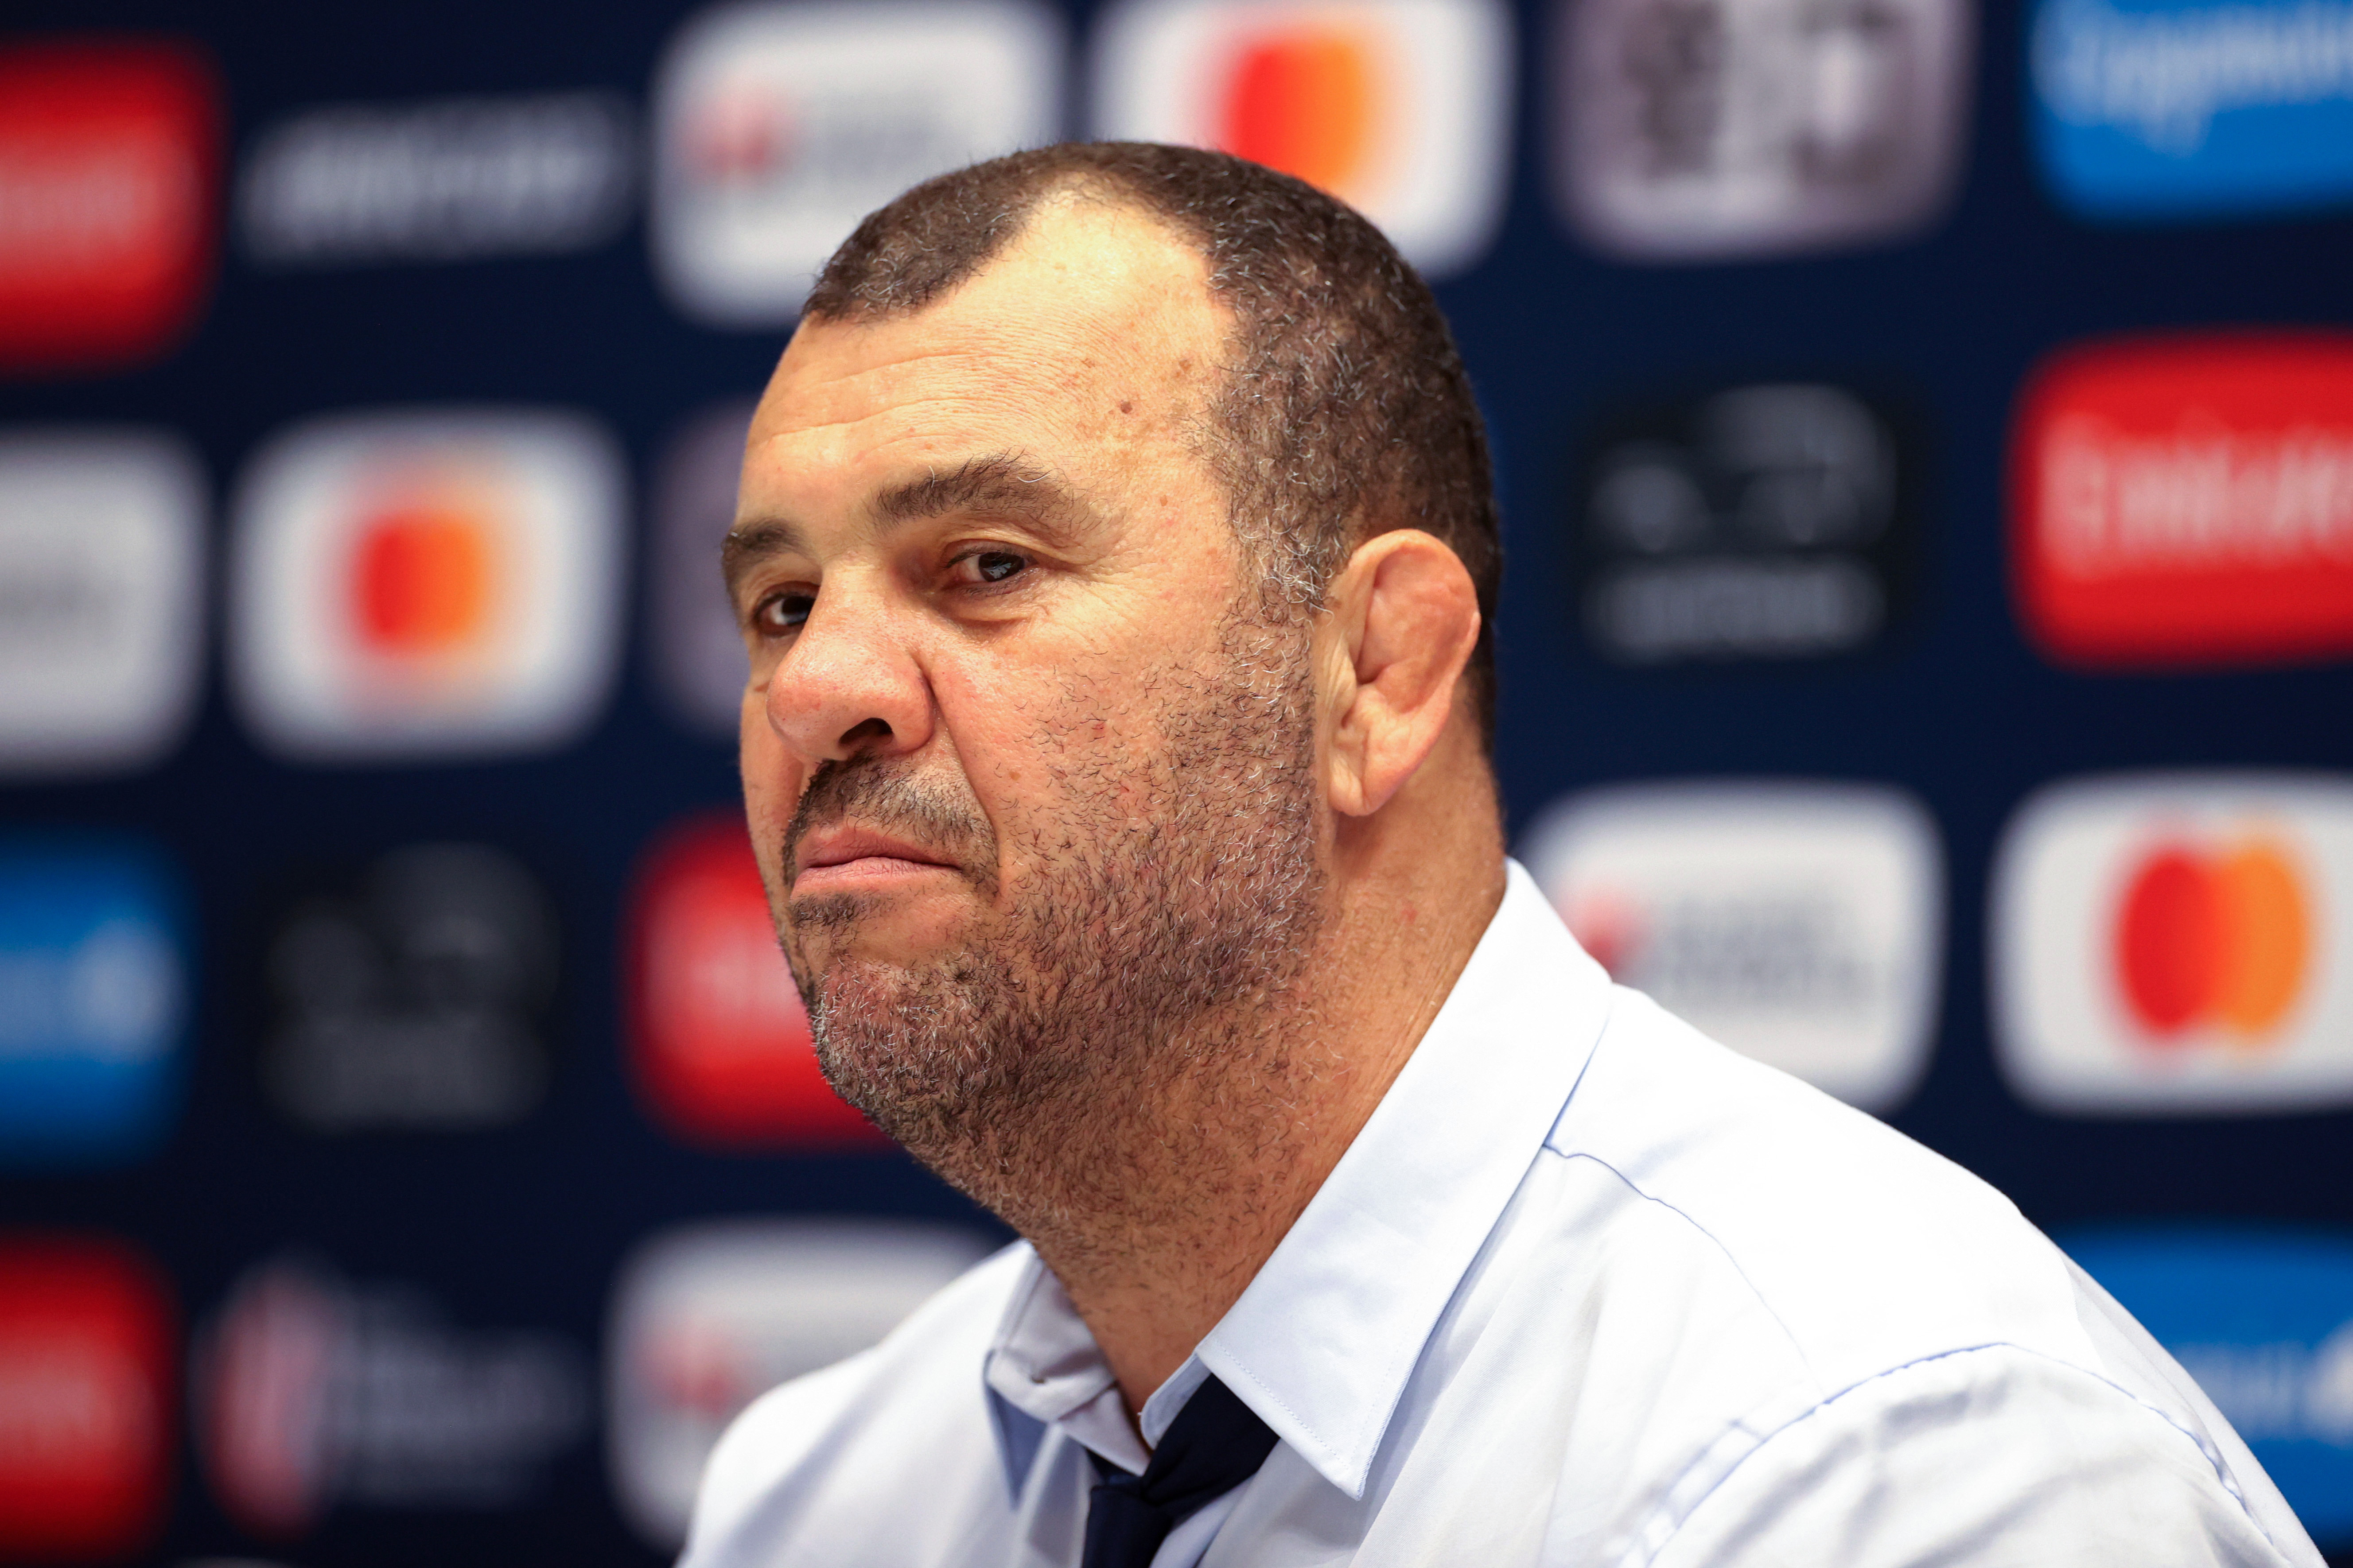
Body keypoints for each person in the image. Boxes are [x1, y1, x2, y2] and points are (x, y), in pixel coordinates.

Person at [686, 142, 2320, 1568]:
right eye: (781, 604)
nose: (816, 689)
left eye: (983, 563)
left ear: (1378, 672)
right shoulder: (819, 1500)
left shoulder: (1895, 1471)